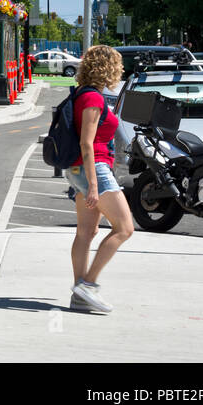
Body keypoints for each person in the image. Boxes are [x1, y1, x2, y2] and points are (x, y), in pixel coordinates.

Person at [67, 45, 133, 313]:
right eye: (117, 65)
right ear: (108, 67)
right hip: (92, 169)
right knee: (124, 228)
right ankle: (88, 285)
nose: (120, 70)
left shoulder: (83, 94)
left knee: (87, 231)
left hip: (79, 169)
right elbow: (87, 143)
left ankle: (79, 294)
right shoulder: (93, 99)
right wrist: (94, 185)